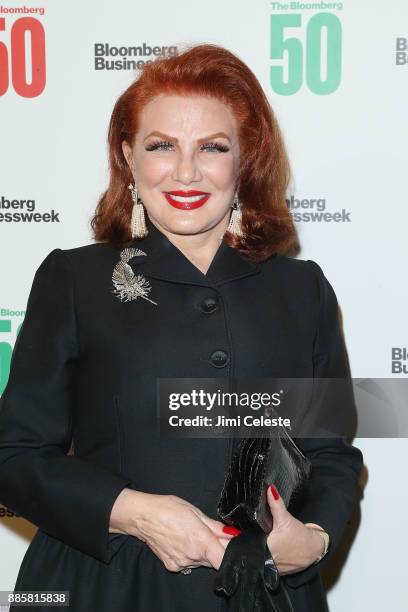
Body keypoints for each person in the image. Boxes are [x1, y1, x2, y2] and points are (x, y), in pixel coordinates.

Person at [0, 43, 363, 611]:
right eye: (161, 146)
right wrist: (136, 512)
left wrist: (311, 539)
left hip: (264, 592)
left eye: (213, 148)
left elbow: (332, 454)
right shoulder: (75, 280)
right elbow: (14, 456)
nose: (186, 171)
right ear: (128, 157)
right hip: (109, 585)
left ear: (246, 160)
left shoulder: (303, 291)